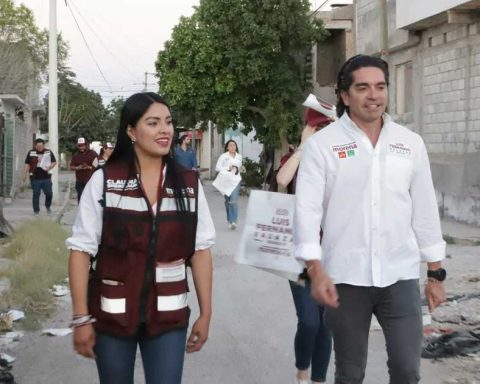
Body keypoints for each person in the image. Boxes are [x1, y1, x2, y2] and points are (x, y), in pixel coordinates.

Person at [294, 55, 447, 384]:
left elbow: (424, 208)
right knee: (350, 372)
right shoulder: (323, 146)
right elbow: (306, 211)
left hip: (400, 277)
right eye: (362, 88)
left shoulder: (410, 144)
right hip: (346, 279)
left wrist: (435, 272)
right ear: (345, 95)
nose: (373, 95)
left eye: (380, 87)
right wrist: (315, 270)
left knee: (408, 370)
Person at [66, 92, 215, 384]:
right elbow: (80, 251)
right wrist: (81, 317)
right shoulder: (106, 181)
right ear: (131, 131)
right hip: (112, 315)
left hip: (169, 317)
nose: (165, 130)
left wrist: (206, 313)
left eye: (169, 122)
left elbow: (200, 251)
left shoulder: (188, 184)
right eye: (153, 122)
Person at [276, 96, 335, 384]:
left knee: (326, 325)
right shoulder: (296, 160)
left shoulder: (342, 160)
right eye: (318, 129)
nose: (322, 135)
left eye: (327, 129)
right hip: (298, 255)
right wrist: (303, 146)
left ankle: (319, 380)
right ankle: (302, 368)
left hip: (334, 254)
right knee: (310, 322)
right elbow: (282, 180)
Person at [23, 138, 57, 216]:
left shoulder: (48, 152)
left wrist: (50, 167)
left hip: (46, 177)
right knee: (36, 194)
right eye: (38, 146)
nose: (40, 148)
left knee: (49, 194)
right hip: (35, 178)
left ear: (43, 145)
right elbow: (27, 164)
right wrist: (24, 174)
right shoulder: (31, 152)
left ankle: (47, 206)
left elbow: (54, 162)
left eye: (41, 146)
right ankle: (36, 211)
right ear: (35, 146)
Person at [215, 140, 242, 230]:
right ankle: (229, 220)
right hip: (226, 182)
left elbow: (239, 167)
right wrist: (228, 168)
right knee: (228, 202)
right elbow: (217, 168)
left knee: (233, 201)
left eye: (234, 145)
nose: (232, 147)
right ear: (227, 147)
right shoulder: (224, 156)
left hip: (236, 181)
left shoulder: (239, 157)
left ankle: (233, 221)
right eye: (230, 145)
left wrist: (242, 168)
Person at [70, 137, 98, 203]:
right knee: (81, 198)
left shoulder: (93, 153)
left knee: (91, 199)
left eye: (82, 145)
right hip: (80, 181)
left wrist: (89, 167)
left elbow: (98, 164)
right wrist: (77, 168)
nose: (81, 147)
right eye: (79, 146)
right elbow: (71, 167)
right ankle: (81, 212)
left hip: (91, 180)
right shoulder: (76, 155)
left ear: (86, 145)